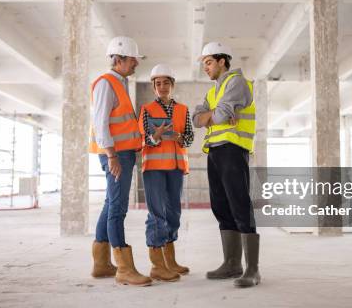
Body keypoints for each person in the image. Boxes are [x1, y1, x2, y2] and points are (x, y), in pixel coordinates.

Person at [192, 42, 261, 288]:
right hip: (215, 152)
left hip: (233, 150)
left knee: (240, 206)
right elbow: (196, 119)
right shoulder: (212, 92)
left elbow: (215, 116)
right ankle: (232, 263)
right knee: (220, 206)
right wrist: (211, 115)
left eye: (209, 62)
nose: (206, 68)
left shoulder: (237, 82)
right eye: (204, 64)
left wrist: (210, 116)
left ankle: (252, 270)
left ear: (222, 61)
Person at [89, 36, 152, 287]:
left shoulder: (120, 83)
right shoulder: (106, 83)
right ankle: (124, 268)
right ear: (120, 58)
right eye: (133, 59)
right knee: (118, 208)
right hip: (116, 156)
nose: (136, 63)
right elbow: (100, 122)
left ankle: (101, 264)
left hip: (123, 154)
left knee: (109, 204)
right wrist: (112, 155)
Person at [138, 64, 194, 282]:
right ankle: (157, 265)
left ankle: (170, 261)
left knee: (173, 214)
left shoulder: (183, 110)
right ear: (154, 87)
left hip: (176, 168)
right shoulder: (146, 110)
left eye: (166, 83)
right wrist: (156, 136)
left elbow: (189, 137)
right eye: (158, 83)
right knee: (157, 214)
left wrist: (180, 138)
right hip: (153, 168)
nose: (162, 87)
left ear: (172, 85)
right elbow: (142, 139)